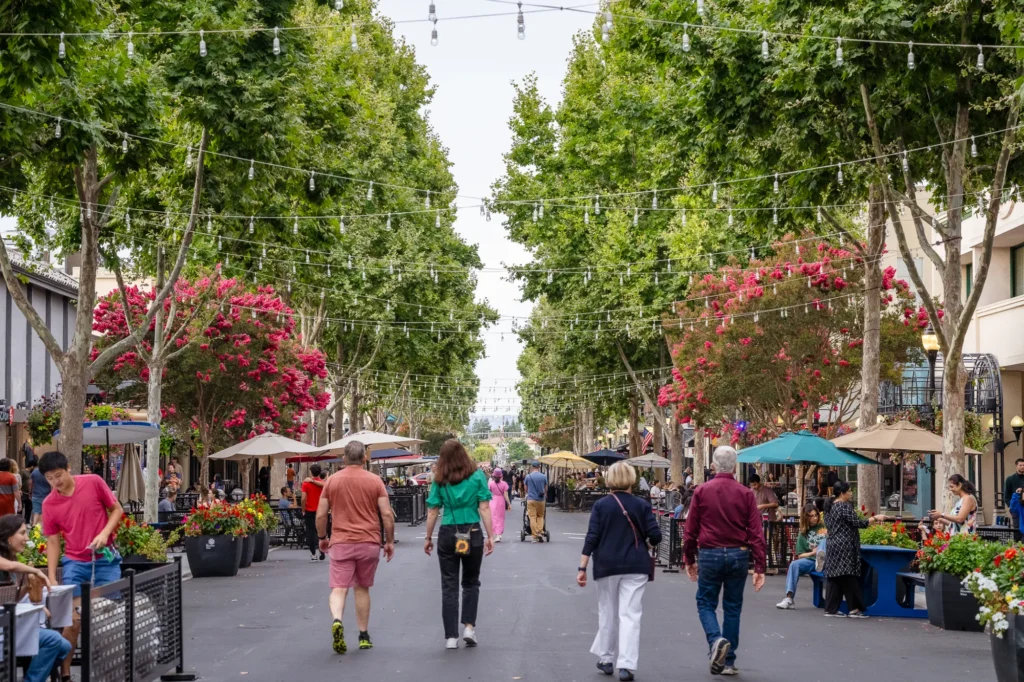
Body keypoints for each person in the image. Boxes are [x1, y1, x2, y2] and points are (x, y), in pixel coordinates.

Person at [39, 450, 123, 681]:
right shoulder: (49, 504)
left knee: (108, 616)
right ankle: (65, 674)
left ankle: (110, 670)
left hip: (105, 559)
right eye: (49, 478)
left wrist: (105, 533)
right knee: (73, 620)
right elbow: (53, 541)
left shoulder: (93, 482)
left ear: (68, 468)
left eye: (58, 475)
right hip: (75, 561)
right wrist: (53, 578)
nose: (55, 482)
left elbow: (117, 509)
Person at [682, 446, 766, 676]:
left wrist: (688, 558)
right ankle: (728, 660)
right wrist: (760, 565)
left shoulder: (701, 491)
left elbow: (690, 530)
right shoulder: (746, 494)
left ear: (714, 465)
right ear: (735, 466)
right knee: (732, 606)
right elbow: (756, 532)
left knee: (705, 602)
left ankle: (716, 640)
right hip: (738, 553)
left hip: (709, 552)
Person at [577, 461, 661, 682]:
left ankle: (606, 658)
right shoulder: (642, 505)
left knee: (608, 611)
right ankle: (626, 664)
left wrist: (582, 567)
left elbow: (592, 537)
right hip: (636, 564)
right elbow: (656, 535)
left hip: (607, 564)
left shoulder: (601, 505)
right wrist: (648, 542)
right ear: (631, 479)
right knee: (630, 614)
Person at [316, 441, 395, 654]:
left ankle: (337, 620)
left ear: (344, 459)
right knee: (361, 587)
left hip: (341, 541)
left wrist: (322, 537)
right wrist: (389, 541)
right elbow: (387, 514)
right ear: (364, 458)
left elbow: (321, 514)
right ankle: (363, 635)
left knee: (339, 588)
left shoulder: (331, 481)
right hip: (368, 541)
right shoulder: (375, 481)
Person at [424, 440, 495, 650]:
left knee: (449, 585)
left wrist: (428, 538)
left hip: (448, 532)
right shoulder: (477, 476)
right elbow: (484, 508)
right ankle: (469, 627)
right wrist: (491, 536)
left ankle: (451, 637)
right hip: (472, 532)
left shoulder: (440, 479)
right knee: (471, 582)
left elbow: (432, 511)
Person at [0, 514, 71, 682]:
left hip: (10, 624)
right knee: (54, 640)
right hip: (5, 629)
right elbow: (9, 566)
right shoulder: (8, 563)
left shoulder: (13, 559)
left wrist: (30, 590)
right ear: (9, 538)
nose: (27, 538)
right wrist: (35, 571)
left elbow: (11, 597)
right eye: (23, 533)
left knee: (64, 646)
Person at [823, 481, 885, 618]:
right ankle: (855, 608)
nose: (851, 493)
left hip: (832, 544)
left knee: (836, 577)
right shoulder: (844, 507)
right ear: (842, 493)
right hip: (845, 545)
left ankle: (831, 608)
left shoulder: (829, 508)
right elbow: (859, 523)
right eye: (849, 491)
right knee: (848, 576)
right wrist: (875, 518)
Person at [776, 507, 827, 609]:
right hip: (811, 560)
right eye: (812, 516)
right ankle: (789, 599)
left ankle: (821, 559)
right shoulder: (803, 533)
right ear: (806, 518)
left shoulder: (825, 526)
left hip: (828, 558)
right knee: (794, 565)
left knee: (824, 542)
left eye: (816, 515)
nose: (815, 518)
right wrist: (812, 552)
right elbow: (800, 555)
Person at [301, 465, 327, 561]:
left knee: (311, 532)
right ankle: (322, 550)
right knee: (321, 532)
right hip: (321, 510)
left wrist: (303, 510)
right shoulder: (322, 483)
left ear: (311, 472)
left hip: (309, 510)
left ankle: (313, 554)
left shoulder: (306, 484)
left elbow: (303, 499)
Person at [524, 462, 548, 543]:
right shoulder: (543, 476)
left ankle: (535, 535)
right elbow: (545, 488)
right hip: (541, 499)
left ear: (532, 467)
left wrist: (529, 492)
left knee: (532, 517)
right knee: (540, 516)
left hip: (531, 499)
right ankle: (540, 532)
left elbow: (526, 489)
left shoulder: (528, 476)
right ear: (539, 467)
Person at [488, 469, 510, 543]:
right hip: (501, 501)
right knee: (500, 517)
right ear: (501, 476)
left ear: (493, 476)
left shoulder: (490, 484)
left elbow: (488, 494)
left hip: (493, 500)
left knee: (494, 517)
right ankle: (499, 534)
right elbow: (506, 496)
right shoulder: (504, 484)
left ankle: (496, 534)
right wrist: (509, 504)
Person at [30, 461, 51, 526]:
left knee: (36, 511)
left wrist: (30, 492)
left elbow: (30, 482)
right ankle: (42, 527)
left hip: (36, 495)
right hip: (46, 495)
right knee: (45, 512)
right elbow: (51, 485)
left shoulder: (34, 472)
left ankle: (34, 524)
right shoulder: (48, 472)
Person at [1004, 460, 1024, 528]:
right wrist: (1010, 506)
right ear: (1016, 466)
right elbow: (1006, 494)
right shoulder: (1010, 479)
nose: (1022, 467)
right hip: (1015, 506)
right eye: (1020, 465)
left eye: (1023, 465)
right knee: (1017, 527)